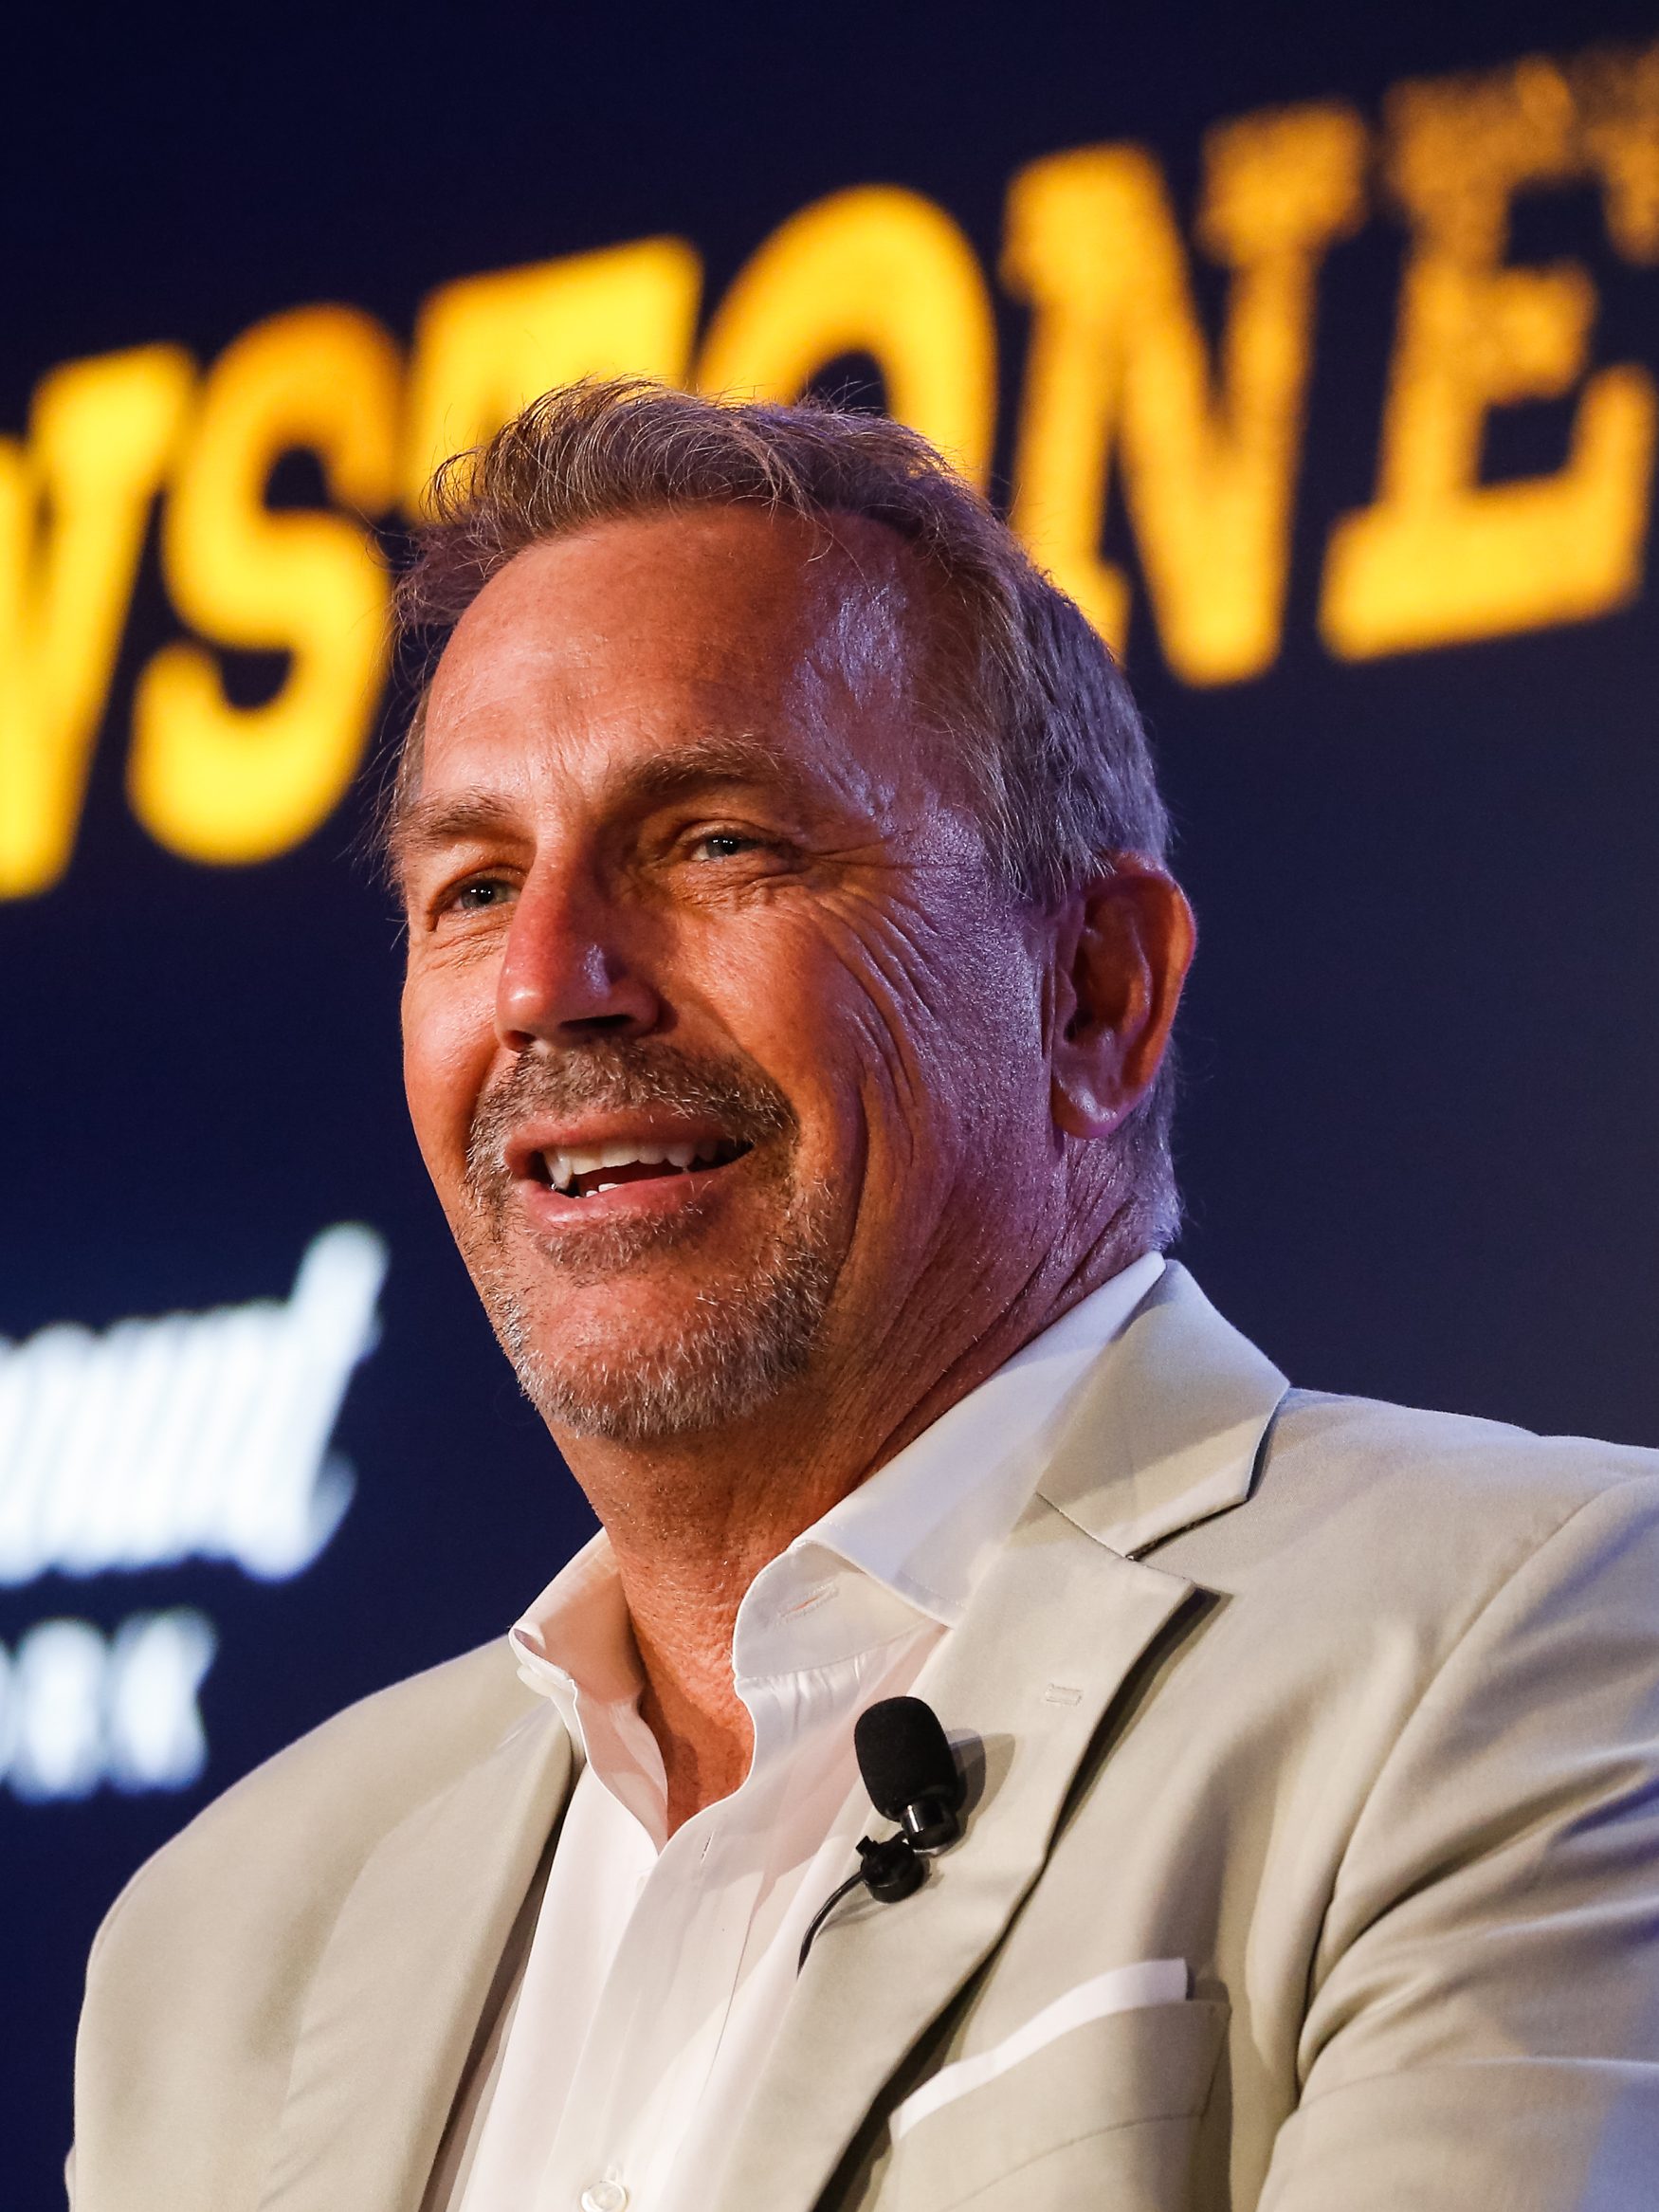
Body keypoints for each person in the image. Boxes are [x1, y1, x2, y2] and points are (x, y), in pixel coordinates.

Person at [72, 379, 1659, 2212]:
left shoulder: (1536, 1644)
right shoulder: (220, 1937)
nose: (546, 983)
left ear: (1095, 994)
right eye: (472, 882)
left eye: (716, 842)